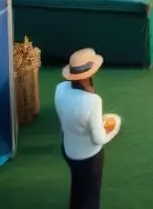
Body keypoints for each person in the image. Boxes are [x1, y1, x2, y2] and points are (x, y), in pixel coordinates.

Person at [56, 49, 120, 209]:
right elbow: (98, 138)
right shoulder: (93, 101)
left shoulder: (60, 89)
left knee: (78, 187)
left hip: (68, 149)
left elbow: (72, 117)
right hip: (88, 157)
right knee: (90, 196)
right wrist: (114, 127)